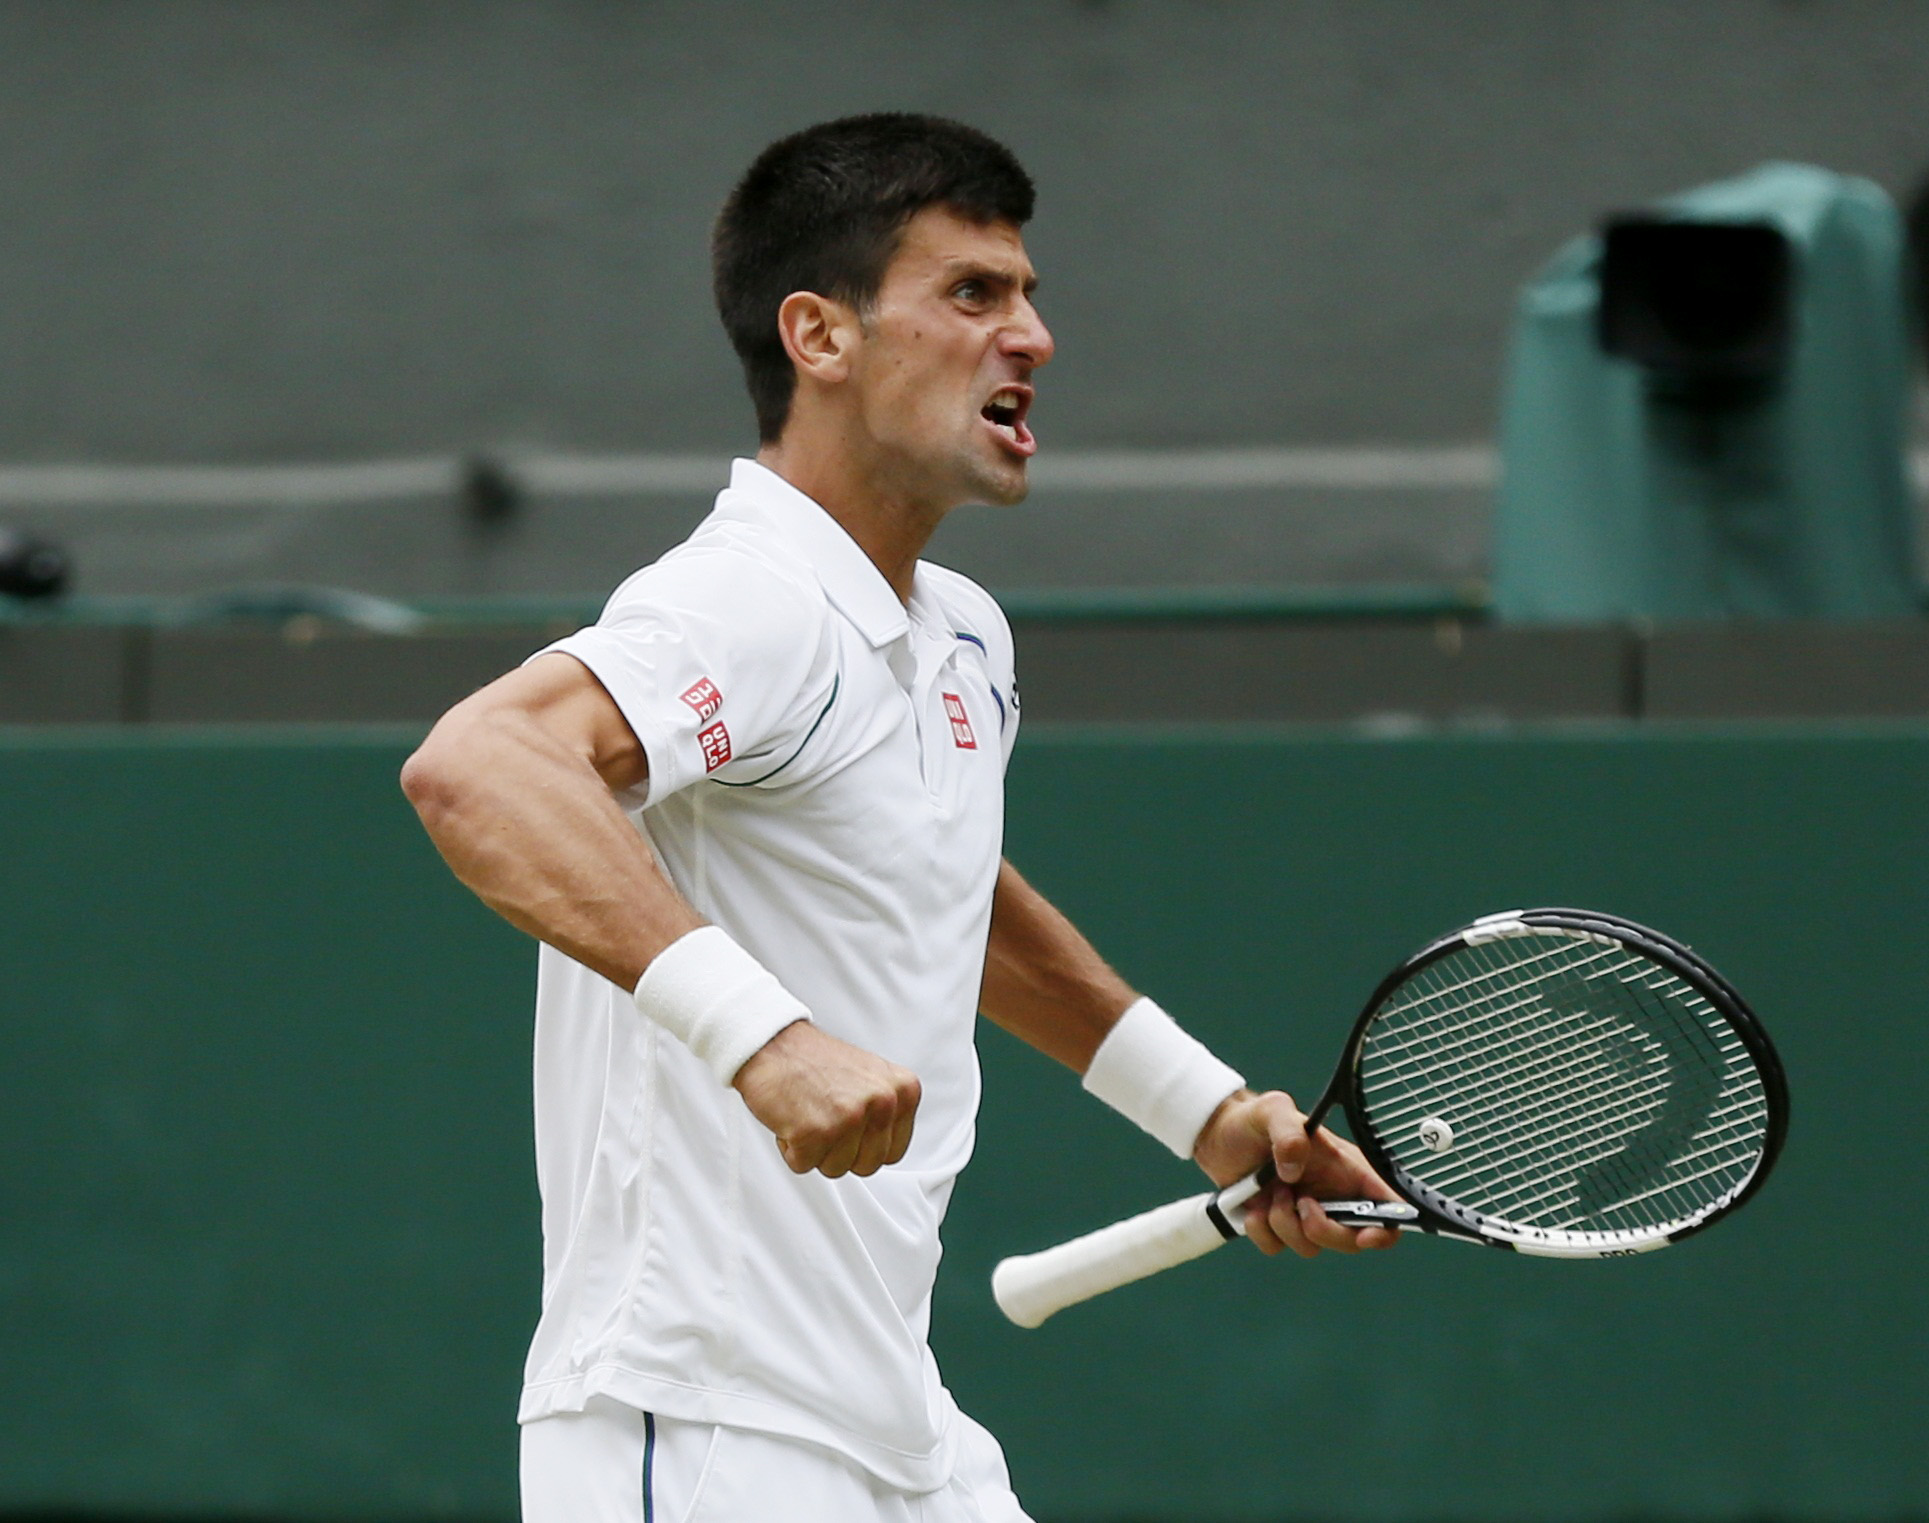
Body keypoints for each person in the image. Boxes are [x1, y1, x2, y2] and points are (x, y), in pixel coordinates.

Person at [401, 112, 1397, 1523]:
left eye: (1030, 296)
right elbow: (480, 766)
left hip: (897, 1433)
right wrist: (766, 1037)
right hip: (695, 1429)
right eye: (973, 294)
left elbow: (940, 888)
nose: (1032, 337)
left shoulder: (962, 639)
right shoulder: (748, 598)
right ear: (820, 336)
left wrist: (1208, 1114)